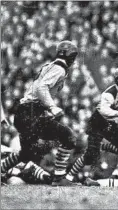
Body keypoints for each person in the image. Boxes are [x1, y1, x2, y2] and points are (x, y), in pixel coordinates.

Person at [0, 40, 79, 186]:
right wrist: (52, 107)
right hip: (31, 112)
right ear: (71, 57)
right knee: (69, 138)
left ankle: (1, 171)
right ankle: (59, 178)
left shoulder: (49, 66)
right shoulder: (60, 68)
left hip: (23, 112)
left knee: (27, 153)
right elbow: (41, 88)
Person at [64, 66, 118, 184]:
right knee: (90, 156)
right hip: (97, 123)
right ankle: (68, 178)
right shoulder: (109, 94)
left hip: (109, 123)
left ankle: (102, 148)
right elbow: (104, 111)